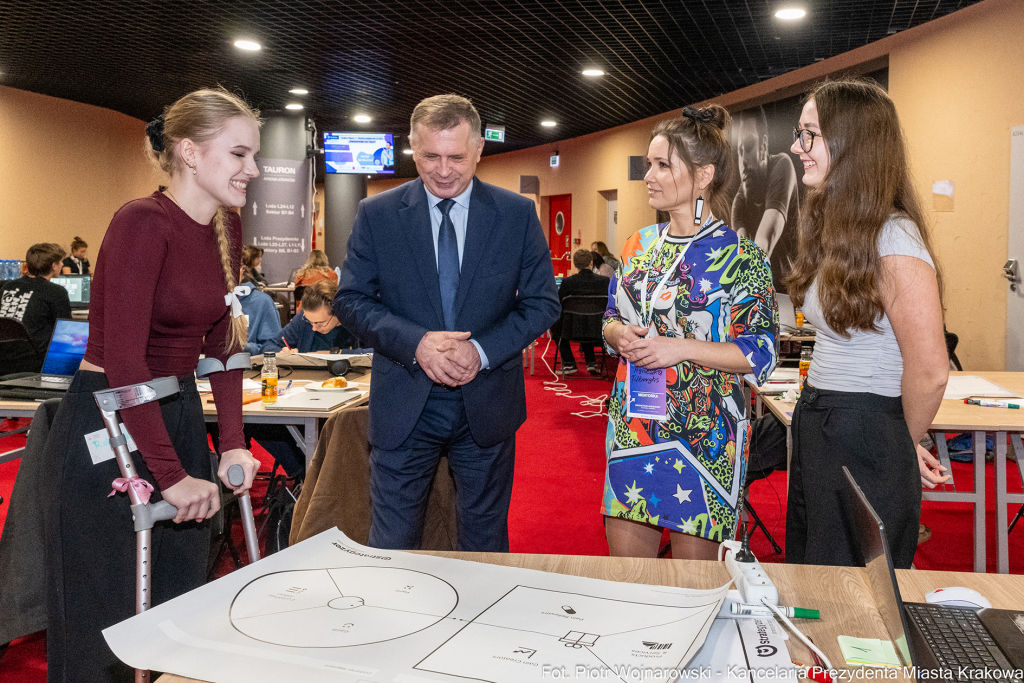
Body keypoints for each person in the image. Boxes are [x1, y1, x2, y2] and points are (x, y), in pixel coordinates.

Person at [43, 87, 262, 683]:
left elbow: (226, 344)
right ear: (189, 152)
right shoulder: (142, 222)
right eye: (239, 155)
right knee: (106, 611)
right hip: (110, 420)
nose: (254, 169)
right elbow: (125, 361)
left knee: (177, 596)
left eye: (255, 157)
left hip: (176, 413)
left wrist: (234, 441)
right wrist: (169, 474)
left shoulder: (226, 226)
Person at [334, 93, 560, 552]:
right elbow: (351, 301)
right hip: (404, 399)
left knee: (484, 543)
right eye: (430, 156)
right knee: (391, 544)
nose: (443, 169)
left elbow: (542, 304)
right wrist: (416, 343)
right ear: (412, 150)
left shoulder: (516, 215)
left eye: (456, 156)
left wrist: (479, 352)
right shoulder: (376, 215)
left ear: (479, 149)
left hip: (487, 401)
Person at [784, 79, 949, 569]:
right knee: (817, 585)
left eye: (809, 134)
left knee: (852, 604)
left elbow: (930, 371)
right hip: (824, 421)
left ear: (851, 142)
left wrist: (897, 443)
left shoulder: (894, 237)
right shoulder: (842, 226)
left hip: (860, 430)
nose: (797, 147)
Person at [601, 105, 778, 560]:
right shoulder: (638, 245)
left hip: (705, 436)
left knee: (693, 592)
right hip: (634, 427)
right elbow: (609, 319)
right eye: (649, 165)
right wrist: (619, 336)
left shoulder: (741, 257)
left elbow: (760, 353)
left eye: (664, 165)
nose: (650, 176)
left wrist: (679, 349)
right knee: (628, 584)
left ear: (703, 176)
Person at [731, 106, 800, 289]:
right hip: (769, 292)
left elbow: (764, 242)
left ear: (763, 145)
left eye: (749, 147)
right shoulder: (739, 201)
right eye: (739, 152)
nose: (743, 160)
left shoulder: (781, 165)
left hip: (798, 292)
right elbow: (742, 252)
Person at [0, 242, 72, 371]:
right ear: (54, 266)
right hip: (35, 362)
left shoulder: (7, 287)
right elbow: (66, 330)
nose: (62, 265)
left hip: (4, 360)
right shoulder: (55, 291)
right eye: (61, 262)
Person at [552, 249, 609, 376]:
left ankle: (569, 363)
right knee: (587, 317)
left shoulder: (567, 282)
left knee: (559, 322)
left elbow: (559, 304)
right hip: (598, 329)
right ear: (591, 263)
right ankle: (591, 362)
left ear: (575, 265)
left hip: (570, 330)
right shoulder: (604, 282)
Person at [266, 279, 355, 353]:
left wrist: (338, 353)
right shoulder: (303, 319)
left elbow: (368, 351)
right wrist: (281, 352)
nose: (314, 328)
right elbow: (269, 345)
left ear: (338, 312)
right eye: (310, 322)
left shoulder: (355, 320)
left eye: (320, 323)